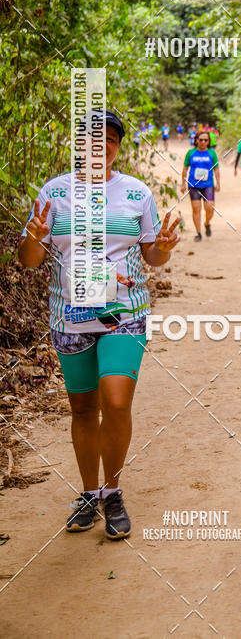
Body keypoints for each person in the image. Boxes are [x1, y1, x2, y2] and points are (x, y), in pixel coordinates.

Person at [18, 110, 181, 539]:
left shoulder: (135, 192)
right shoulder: (54, 193)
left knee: (117, 401)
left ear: (117, 147)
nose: (101, 146)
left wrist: (163, 247)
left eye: (110, 139)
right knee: (83, 408)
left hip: (123, 314)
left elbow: (153, 256)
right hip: (69, 317)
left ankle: (113, 490)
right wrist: (33, 238)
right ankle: (88, 493)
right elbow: (29, 260)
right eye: (93, 139)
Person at [181, 130, 220, 240]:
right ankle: (198, 233)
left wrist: (218, 183)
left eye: (205, 140)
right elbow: (184, 169)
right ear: (196, 140)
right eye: (201, 139)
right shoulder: (190, 152)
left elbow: (216, 169)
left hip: (208, 184)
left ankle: (207, 223)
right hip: (193, 184)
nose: (203, 142)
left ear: (208, 141)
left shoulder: (212, 153)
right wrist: (183, 184)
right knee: (196, 209)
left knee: (210, 207)